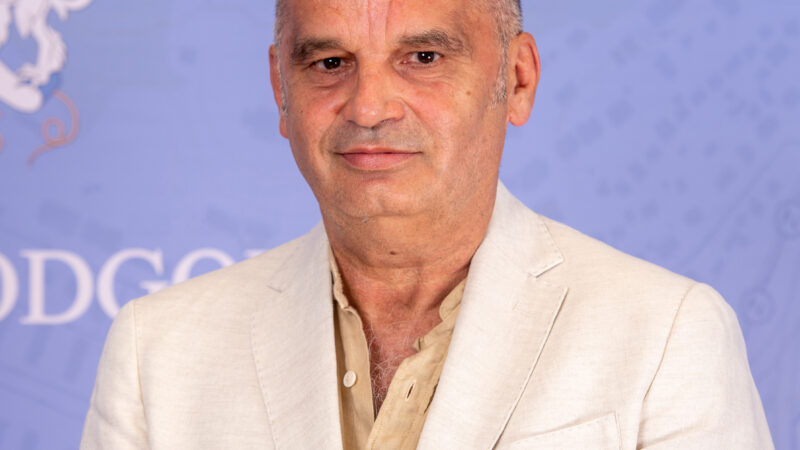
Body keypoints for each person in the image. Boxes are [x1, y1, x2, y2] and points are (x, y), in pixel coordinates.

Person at [80, 0, 773, 448]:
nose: (370, 107)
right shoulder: (157, 353)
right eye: (330, 63)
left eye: (424, 59)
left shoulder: (666, 337)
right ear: (280, 90)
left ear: (518, 80)